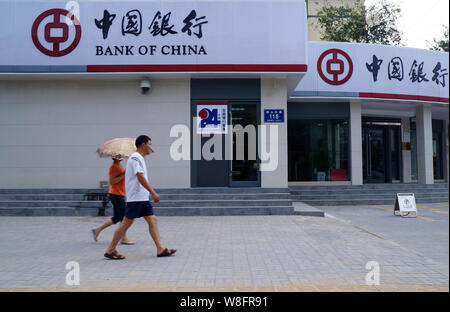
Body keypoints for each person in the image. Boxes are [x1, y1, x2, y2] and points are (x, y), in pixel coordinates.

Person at [103, 135, 176, 260]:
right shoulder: (136, 158)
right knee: (126, 224)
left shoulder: (139, 158)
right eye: (150, 144)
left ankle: (160, 249)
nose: (150, 147)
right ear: (143, 144)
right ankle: (110, 250)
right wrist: (153, 192)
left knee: (152, 220)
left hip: (142, 197)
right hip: (136, 198)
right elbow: (140, 177)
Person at [91, 157, 134, 244]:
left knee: (116, 218)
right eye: (120, 155)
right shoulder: (114, 167)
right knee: (124, 217)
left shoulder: (118, 165)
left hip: (119, 193)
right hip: (116, 194)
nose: (122, 157)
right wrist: (123, 175)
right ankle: (124, 237)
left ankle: (97, 230)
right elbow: (112, 181)